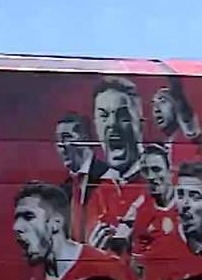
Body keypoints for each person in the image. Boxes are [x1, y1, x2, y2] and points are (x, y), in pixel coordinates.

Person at [87, 76, 148, 255]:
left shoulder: (162, 183)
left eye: (123, 116)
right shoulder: (96, 194)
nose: (112, 124)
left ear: (141, 125)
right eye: (103, 116)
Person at [55, 112, 107, 242]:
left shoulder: (108, 176)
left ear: (85, 139)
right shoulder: (63, 191)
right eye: (58, 140)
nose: (61, 146)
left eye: (66, 137)